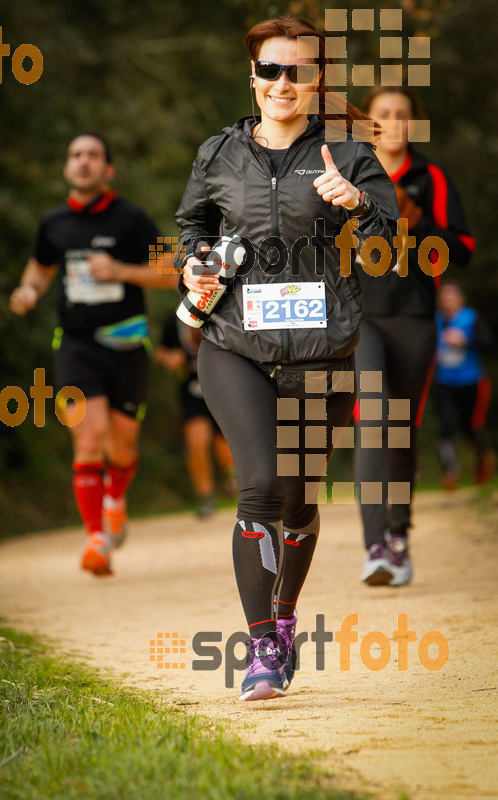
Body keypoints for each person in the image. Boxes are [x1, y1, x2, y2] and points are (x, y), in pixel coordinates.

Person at [176, 16, 399, 700]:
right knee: (260, 484)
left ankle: (284, 613)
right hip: (232, 344)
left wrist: (357, 203)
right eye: (269, 70)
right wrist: (192, 267)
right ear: (253, 76)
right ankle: (262, 649)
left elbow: (386, 246)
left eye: (295, 70)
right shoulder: (217, 153)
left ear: (315, 79)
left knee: (297, 500)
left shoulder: (348, 154)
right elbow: (192, 224)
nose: (282, 82)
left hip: (322, 351)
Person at [10, 133, 176, 577]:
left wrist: (121, 270)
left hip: (126, 344)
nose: (83, 162)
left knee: (121, 448)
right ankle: (95, 540)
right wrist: (29, 290)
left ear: (108, 170)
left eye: (93, 156)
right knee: (87, 439)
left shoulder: (132, 220)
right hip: (76, 345)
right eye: (76, 155)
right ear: (67, 167)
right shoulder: (54, 222)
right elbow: (41, 266)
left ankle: (116, 497)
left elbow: (172, 273)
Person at [355, 87, 475, 587]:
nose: (393, 122)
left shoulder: (432, 178)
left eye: (403, 114)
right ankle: (375, 547)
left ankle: (399, 537)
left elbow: (461, 251)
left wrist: (417, 218)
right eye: (383, 114)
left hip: (414, 317)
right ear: (368, 123)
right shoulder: (348, 171)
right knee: (374, 417)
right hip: (358, 317)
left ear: (414, 123)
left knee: (400, 428)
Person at [155, 314, 237, 517]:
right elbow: (160, 351)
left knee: (225, 449)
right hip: (192, 388)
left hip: (224, 386)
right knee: (196, 442)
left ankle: (232, 477)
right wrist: (169, 358)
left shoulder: (223, 311)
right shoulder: (173, 320)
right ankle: (205, 497)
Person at [435, 280, 494, 488]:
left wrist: (465, 341)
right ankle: (450, 474)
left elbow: (489, 343)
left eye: (452, 296)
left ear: (461, 299)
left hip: (472, 381)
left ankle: (483, 461)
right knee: (446, 426)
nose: (447, 300)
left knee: (471, 427)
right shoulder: (437, 321)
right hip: (445, 382)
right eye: (444, 297)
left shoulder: (471, 318)